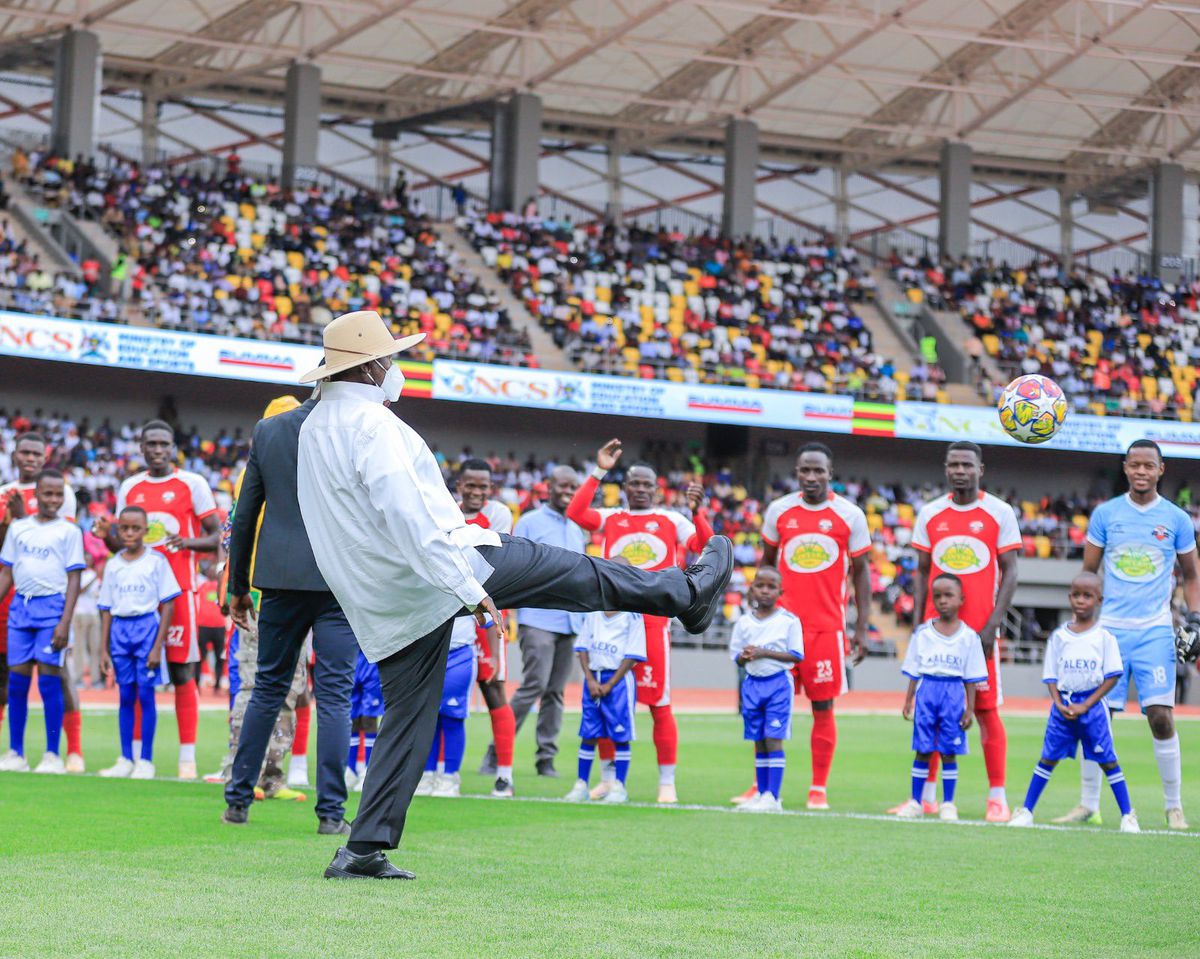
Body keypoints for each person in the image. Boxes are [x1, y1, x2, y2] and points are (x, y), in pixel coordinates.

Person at [293, 310, 732, 879]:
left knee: (406, 718)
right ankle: (685, 591)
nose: (396, 366)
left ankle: (361, 850)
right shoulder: (374, 427)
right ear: (373, 365)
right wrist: (467, 587)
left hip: (384, 598)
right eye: (393, 357)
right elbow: (409, 517)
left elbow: (333, 526)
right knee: (573, 572)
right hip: (448, 564)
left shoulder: (313, 428)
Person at [222, 390, 361, 835]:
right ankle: (331, 815)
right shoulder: (358, 430)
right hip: (337, 577)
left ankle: (238, 802)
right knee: (335, 696)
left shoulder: (270, 430)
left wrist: (237, 587)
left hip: (279, 578)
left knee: (267, 688)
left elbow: (245, 516)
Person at [1055, 440, 1199, 830]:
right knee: (1096, 717)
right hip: (1110, 632)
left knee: (1160, 717)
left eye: (1148, 466)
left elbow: (1190, 574)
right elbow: (1088, 575)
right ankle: (1089, 804)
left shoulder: (1176, 519)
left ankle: (1174, 806)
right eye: (1134, 465)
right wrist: (1084, 625)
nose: (1140, 471)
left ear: (1160, 469)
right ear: (1125, 468)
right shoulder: (1105, 515)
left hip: (1154, 630)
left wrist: (1196, 619)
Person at [566, 438, 712, 803]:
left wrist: (698, 513)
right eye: (635, 483)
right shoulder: (613, 517)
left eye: (648, 484)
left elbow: (705, 545)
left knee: (658, 704)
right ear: (626, 487)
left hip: (652, 625)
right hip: (611, 622)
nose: (641, 489)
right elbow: (576, 512)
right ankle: (609, 779)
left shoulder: (671, 520)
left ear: (657, 490)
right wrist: (599, 470)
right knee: (607, 701)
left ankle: (667, 781)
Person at [888, 441, 1019, 822]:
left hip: (979, 633)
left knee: (986, 711)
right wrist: (916, 624)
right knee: (932, 712)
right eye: (953, 465)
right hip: (935, 632)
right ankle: (925, 798)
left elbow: (1010, 571)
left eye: (967, 464)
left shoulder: (999, 511)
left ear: (982, 468)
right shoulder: (931, 513)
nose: (960, 471)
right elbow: (923, 571)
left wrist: (993, 623)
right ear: (946, 469)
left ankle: (997, 797)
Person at [205, 397, 310, 803]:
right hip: (259, 603)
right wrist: (235, 591)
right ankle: (239, 771)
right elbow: (233, 540)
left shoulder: (305, 478)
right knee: (255, 688)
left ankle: (273, 776)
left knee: (289, 689)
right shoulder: (256, 477)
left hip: (294, 601)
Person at [760, 442, 871, 810]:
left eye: (818, 471)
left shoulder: (850, 516)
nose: (811, 477)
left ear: (830, 472)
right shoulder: (779, 511)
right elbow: (767, 566)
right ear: (796, 472)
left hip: (827, 628)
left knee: (822, 708)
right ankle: (762, 786)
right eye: (804, 470)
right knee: (770, 703)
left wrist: (860, 628)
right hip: (782, 630)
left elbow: (862, 574)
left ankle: (817, 788)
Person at [113, 421, 221, 779]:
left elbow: (216, 537)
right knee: (140, 675)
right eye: (151, 444)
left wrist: (185, 543)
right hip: (140, 599)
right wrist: (107, 536)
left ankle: (186, 758)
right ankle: (138, 759)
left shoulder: (193, 484)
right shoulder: (130, 487)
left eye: (163, 444)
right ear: (141, 448)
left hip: (181, 593)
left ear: (173, 447)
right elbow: (125, 542)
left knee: (181, 672)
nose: (157, 450)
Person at [1009, 573, 1138, 832]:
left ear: (1098, 600)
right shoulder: (1059, 637)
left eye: (1087, 595)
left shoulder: (1104, 637)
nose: (1081, 600)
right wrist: (1058, 702)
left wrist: (1086, 705)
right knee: (1047, 758)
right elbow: (1051, 675)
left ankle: (1127, 815)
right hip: (1063, 707)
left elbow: (1113, 676)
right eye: (1076, 595)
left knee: (1108, 759)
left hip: (1091, 709)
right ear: (1069, 598)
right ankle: (1026, 811)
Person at [479, 464, 584, 779]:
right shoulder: (529, 522)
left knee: (555, 691)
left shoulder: (577, 528)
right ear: (549, 486)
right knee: (534, 685)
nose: (567, 492)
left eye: (572, 488)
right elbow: (514, 566)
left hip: (570, 622)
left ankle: (546, 759)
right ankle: (498, 751)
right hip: (537, 617)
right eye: (562, 486)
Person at [0, 433, 86, 772]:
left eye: (57, 495)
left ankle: (52, 753)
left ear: (63, 497)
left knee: (51, 678)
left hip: (52, 609)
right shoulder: (19, 528)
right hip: (20, 608)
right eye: (46, 494)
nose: (52, 500)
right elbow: (6, 571)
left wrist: (64, 622)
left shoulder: (68, 531)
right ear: (35, 496)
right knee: (17, 678)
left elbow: (75, 577)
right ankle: (16, 752)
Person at [893, 574, 986, 821]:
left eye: (948, 595)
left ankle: (948, 803)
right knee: (923, 749)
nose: (943, 601)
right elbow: (914, 670)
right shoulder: (922, 633)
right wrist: (908, 700)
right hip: (928, 691)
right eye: (938, 596)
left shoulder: (969, 637)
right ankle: (916, 802)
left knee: (949, 750)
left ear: (961, 599)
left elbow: (971, 677)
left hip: (953, 693)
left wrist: (970, 709)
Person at [97, 506, 179, 779]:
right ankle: (125, 757)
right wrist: (103, 648)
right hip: (120, 630)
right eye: (124, 528)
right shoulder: (113, 564)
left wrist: (157, 646)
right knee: (125, 695)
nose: (130, 533)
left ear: (145, 531)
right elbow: (106, 608)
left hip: (146, 628)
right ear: (117, 530)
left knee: (146, 694)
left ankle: (146, 759)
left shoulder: (156, 562)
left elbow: (168, 604)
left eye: (135, 528)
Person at [456, 458, 517, 797]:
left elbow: (496, 562)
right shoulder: (445, 509)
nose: (477, 492)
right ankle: (441, 771)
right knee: (443, 695)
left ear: (491, 490)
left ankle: (504, 775)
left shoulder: (499, 515)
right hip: (451, 615)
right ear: (459, 486)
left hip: (486, 613)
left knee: (494, 688)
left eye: (483, 486)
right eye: (471, 485)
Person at [729, 566, 804, 814]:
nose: (765, 591)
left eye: (771, 587)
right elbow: (735, 656)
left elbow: (796, 656)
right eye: (760, 585)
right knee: (759, 740)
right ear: (752, 589)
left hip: (777, 685)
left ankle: (773, 796)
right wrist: (745, 656)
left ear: (780, 591)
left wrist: (763, 652)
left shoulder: (789, 622)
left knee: (773, 739)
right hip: (752, 684)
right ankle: (761, 794)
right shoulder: (743, 622)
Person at [563, 594, 646, 805]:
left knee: (620, 735)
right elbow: (582, 648)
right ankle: (581, 784)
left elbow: (633, 655)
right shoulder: (595, 612)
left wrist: (610, 684)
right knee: (589, 733)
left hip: (617, 681)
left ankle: (619, 786)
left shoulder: (633, 616)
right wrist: (590, 679)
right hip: (593, 679)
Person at [416, 615, 481, 799]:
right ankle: (427, 774)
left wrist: (494, 657)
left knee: (452, 717)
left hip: (459, 652)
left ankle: (449, 776)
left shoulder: (470, 586)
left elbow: (489, 619)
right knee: (428, 718)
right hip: (428, 655)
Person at [346, 651, 383, 793]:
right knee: (352, 717)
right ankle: (351, 770)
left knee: (368, 718)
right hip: (351, 656)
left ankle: (369, 770)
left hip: (371, 658)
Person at [196, 571, 227, 693]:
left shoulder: (223, 586)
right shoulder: (203, 586)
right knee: (202, 657)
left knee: (218, 657)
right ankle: (197, 684)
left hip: (217, 626)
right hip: (205, 626)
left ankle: (217, 685)